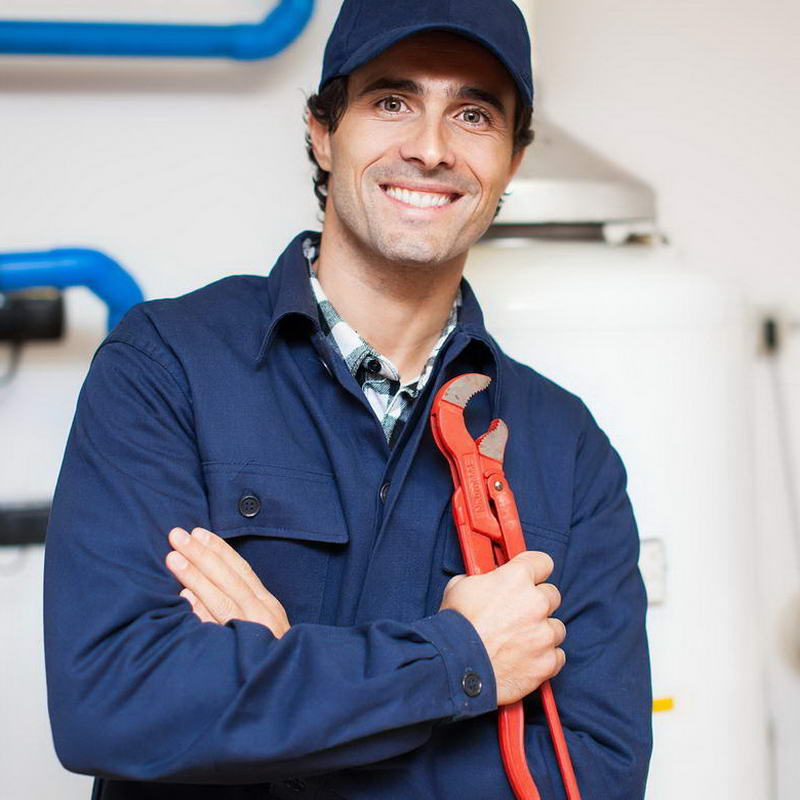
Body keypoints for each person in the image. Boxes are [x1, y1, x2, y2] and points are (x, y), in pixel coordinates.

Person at [43, 1, 653, 798]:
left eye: (473, 114)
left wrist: (276, 693)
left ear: (513, 160)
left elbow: (594, 776)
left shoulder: (566, 451)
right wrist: (459, 661)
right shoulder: (167, 368)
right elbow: (112, 701)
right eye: (392, 101)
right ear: (323, 131)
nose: (430, 148)